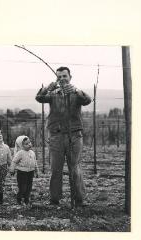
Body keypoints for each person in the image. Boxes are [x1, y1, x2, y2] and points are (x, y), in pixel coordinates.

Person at [35, 66, 92, 207]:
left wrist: (76, 91)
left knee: (75, 168)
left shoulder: (76, 94)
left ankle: (79, 200)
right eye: (59, 77)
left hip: (75, 136)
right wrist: (47, 89)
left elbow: (88, 100)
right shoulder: (53, 94)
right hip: (56, 136)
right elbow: (39, 98)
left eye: (64, 76)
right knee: (56, 169)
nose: (61, 79)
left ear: (70, 77)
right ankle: (54, 200)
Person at [10, 136, 39, 205]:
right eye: (26, 144)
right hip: (22, 173)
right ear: (21, 146)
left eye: (29, 142)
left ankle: (26, 199)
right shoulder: (20, 153)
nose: (29, 144)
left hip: (30, 172)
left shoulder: (32, 152)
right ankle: (19, 198)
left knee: (29, 187)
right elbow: (14, 161)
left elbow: (35, 162)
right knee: (23, 187)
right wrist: (12, 169)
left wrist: (37, 171)